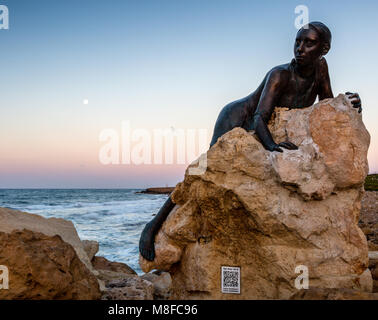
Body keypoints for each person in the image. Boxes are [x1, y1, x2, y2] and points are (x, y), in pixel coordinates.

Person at [139, 22, 362, 261]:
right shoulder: (280, 74)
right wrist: (273, 147)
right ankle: (153, 226)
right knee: (201, 173)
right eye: (298, 41)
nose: (300, 48)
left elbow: (325, 106)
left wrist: (350, 106)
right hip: (237, 116)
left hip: (266, 124)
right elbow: (258, 118)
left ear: (324, 49)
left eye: (309, 43)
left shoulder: (320, 68)